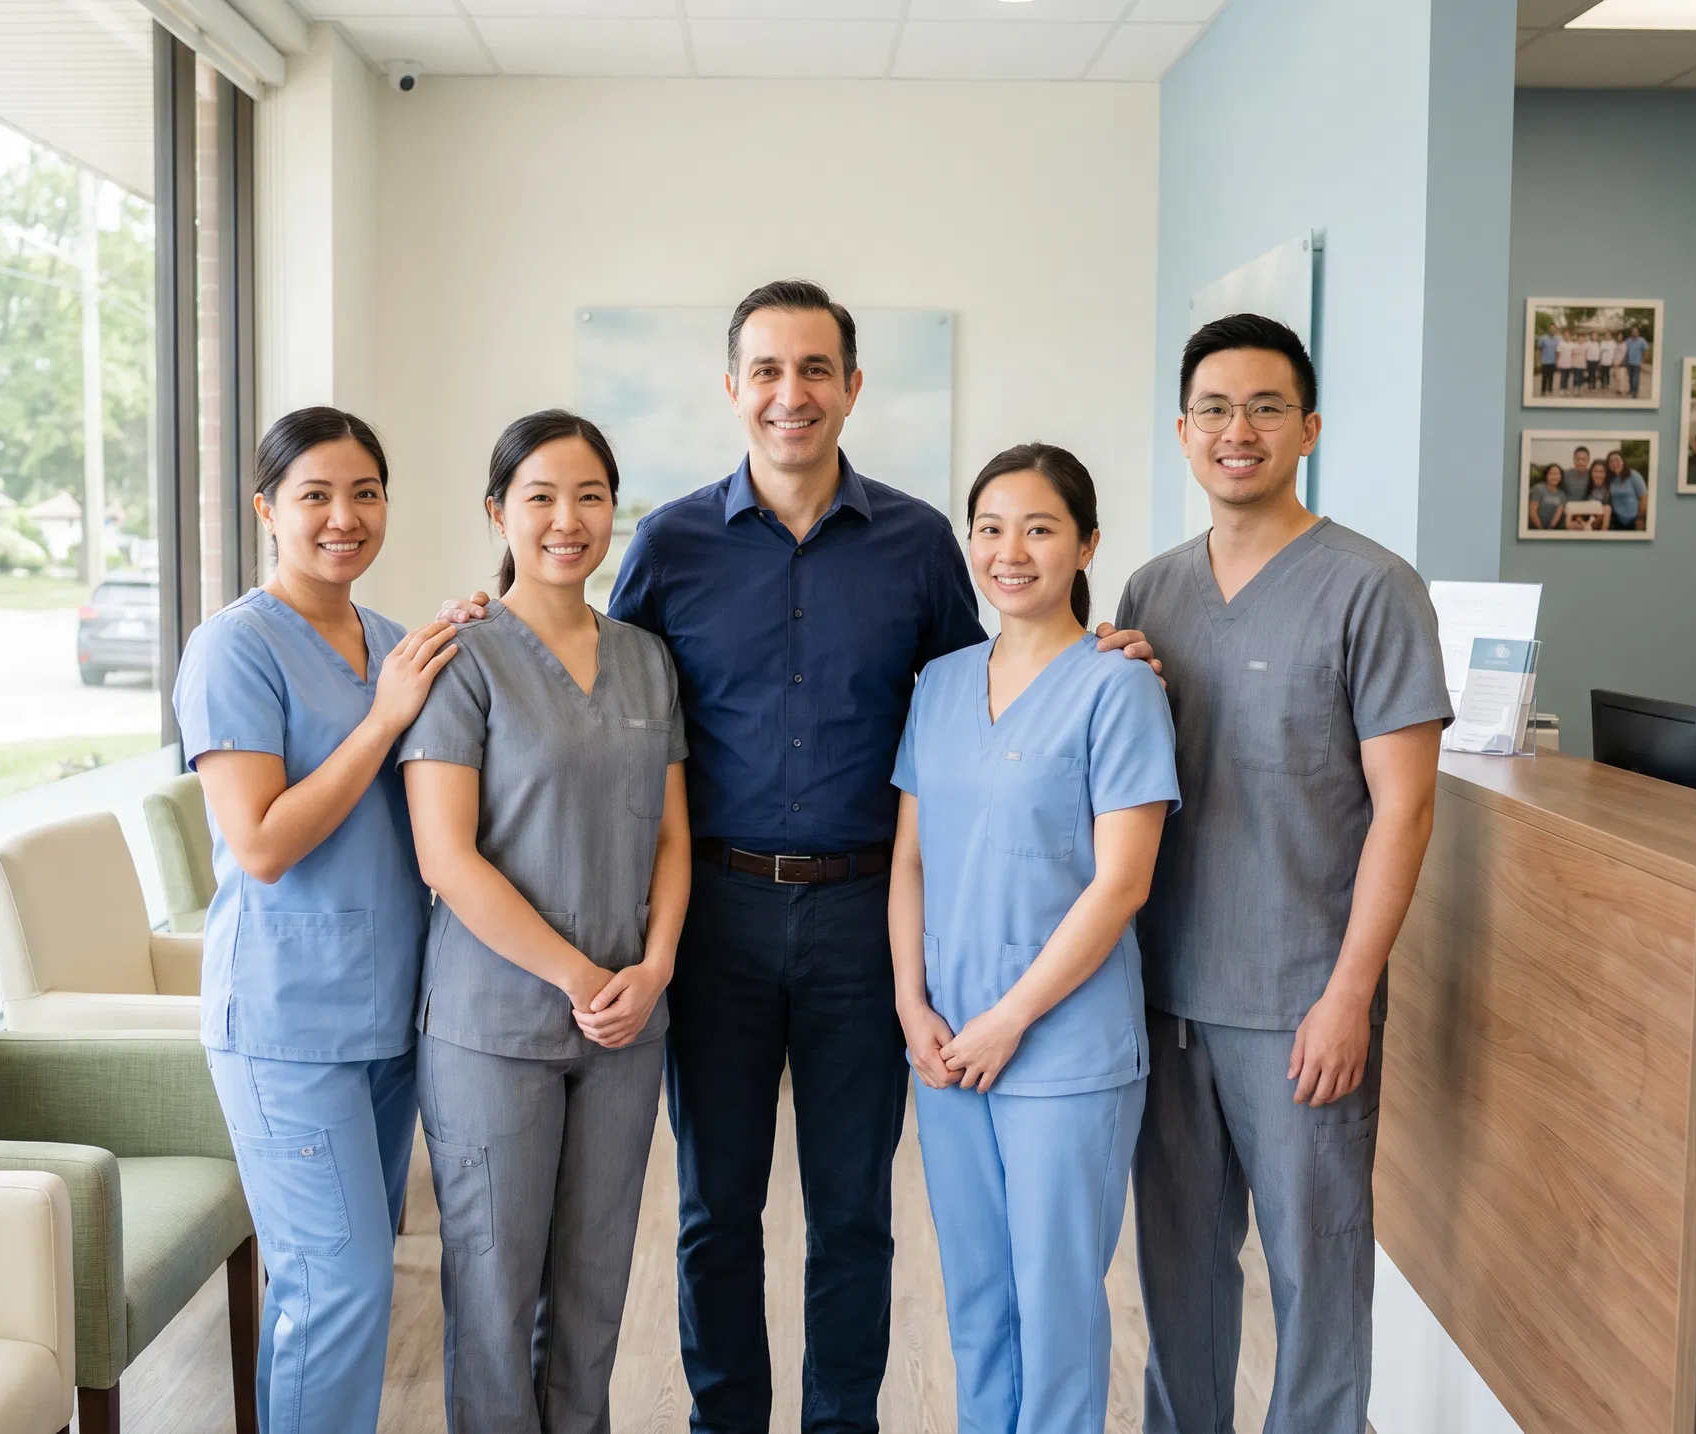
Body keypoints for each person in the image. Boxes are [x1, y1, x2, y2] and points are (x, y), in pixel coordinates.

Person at [440, 278, 1160, 1433]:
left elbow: (992, 696)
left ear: (853, 387)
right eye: (767, 372)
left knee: (853, 1210)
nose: (792, 395)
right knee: (716, 1208)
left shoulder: (924, 543)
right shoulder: (670, 543)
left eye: (815, 370)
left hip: (862, 919)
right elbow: (598, 683)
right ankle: (724, 1419)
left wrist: (1104, 647)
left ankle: (842, 1423)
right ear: (734, 390)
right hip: (714, 914)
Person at [1120, 313, 1450, 1434]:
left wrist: (1350, 993)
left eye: (1266, 407)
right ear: (1181, 431)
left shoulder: (1372, 588)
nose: (1238, 430)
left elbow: (1406, 808)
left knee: (1316, 1283)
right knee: (1178, 1279)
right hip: (1164, 993)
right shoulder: (1147, 594)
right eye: (1214, 409)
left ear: (1308, 427)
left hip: (1303, 993)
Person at [398, 411, 691, 1433]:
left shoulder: (648, 659)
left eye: (591, 497)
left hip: (628, 1027)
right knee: (492, 1291)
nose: (568, 520)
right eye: (541, 497)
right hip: (496, 1026)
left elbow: (669, 839)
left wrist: (653, 968)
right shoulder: (463, 656)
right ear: (498, 512)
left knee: (595, 1288)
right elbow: (447, 857)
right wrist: (579, 976)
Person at [173, 407, 460, 1434]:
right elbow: (260, 843)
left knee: (353, 1285)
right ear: (267, 509)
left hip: (389, 1020)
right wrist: (385, 718)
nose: (345, 517)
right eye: (316, 495)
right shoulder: (233, 648)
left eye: (366, 493)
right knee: (333, 1294)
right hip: (289, 1025)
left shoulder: (391, 644)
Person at [890, 443, 1179, 1434]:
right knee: (978, 1301)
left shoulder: (1117, 686)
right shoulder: (939, 683)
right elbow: (912, 862)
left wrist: (1009, 1020)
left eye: (1040, 527)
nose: (1010, 551)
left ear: (1087, 544)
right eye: (990, 527)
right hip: (946, 1043)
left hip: (1064, 1046)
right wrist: (911, 1006)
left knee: (1055, 1310)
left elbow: (1123, 881)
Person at [1604, 449, 1648, 531]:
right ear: (1608, 465)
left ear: (1622, 462)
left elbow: (1644, 498)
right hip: (1617, 521)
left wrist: (1640, 519)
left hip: (1635, 520)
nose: (1614, 464)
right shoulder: (1609, 478)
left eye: (1617, 460)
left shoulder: (1634, 475)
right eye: (1611, 462)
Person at [1529, 462, 1569, 532]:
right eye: (1551, 474)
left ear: (1561, 476)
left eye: (1557, 474)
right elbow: (1532, 512)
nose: (1554, 476)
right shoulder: (1538, 488)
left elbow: (1557, 515)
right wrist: (1541, 529)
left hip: (1551, 530)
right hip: (1534, 529)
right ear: (1546, 475)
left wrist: (1549, 530)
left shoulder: (1562, 494)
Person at [1575, 457, 1613, 530]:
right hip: (1586, 523)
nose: (1598, 475)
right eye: (1595, 471)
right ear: (1591, 473)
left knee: (1607, 508)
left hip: (1600, 523)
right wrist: (1579, 518)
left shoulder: (1609, 489)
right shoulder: (1588, 487)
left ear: (1606, 474)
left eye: (1602, 472)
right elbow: (1582, 508)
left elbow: (1607, 511)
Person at [1624, 327, 1648, 398]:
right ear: (1631, 333)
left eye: (1635, 331)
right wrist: (1625, 361)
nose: (1634, 333)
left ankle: (1635, 392)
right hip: (1629, 362)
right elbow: (1626, 351)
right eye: (1633, 331)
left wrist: (1643, 361)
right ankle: (1631, 390)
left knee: (1635, 378)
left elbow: (1645, 351)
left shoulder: (1642, 340)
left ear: (1638, 333)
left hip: (1637, 363)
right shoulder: (1628, 340)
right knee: (1630, 378)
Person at [1537, 329, 1559, 395]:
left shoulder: (1556, 339)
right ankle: (1543, 391)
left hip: (1553, 361)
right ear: (1549, 330)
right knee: (1544, 377)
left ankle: (1550, 389)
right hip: (1545, 361)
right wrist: (1539, 359)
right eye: (1551, 329)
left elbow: (1557, 350)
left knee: (1551, 377)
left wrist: (1557, 361)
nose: (1552, 331)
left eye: (1553, 329)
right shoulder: (1543, 338)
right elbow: (1539, 349)